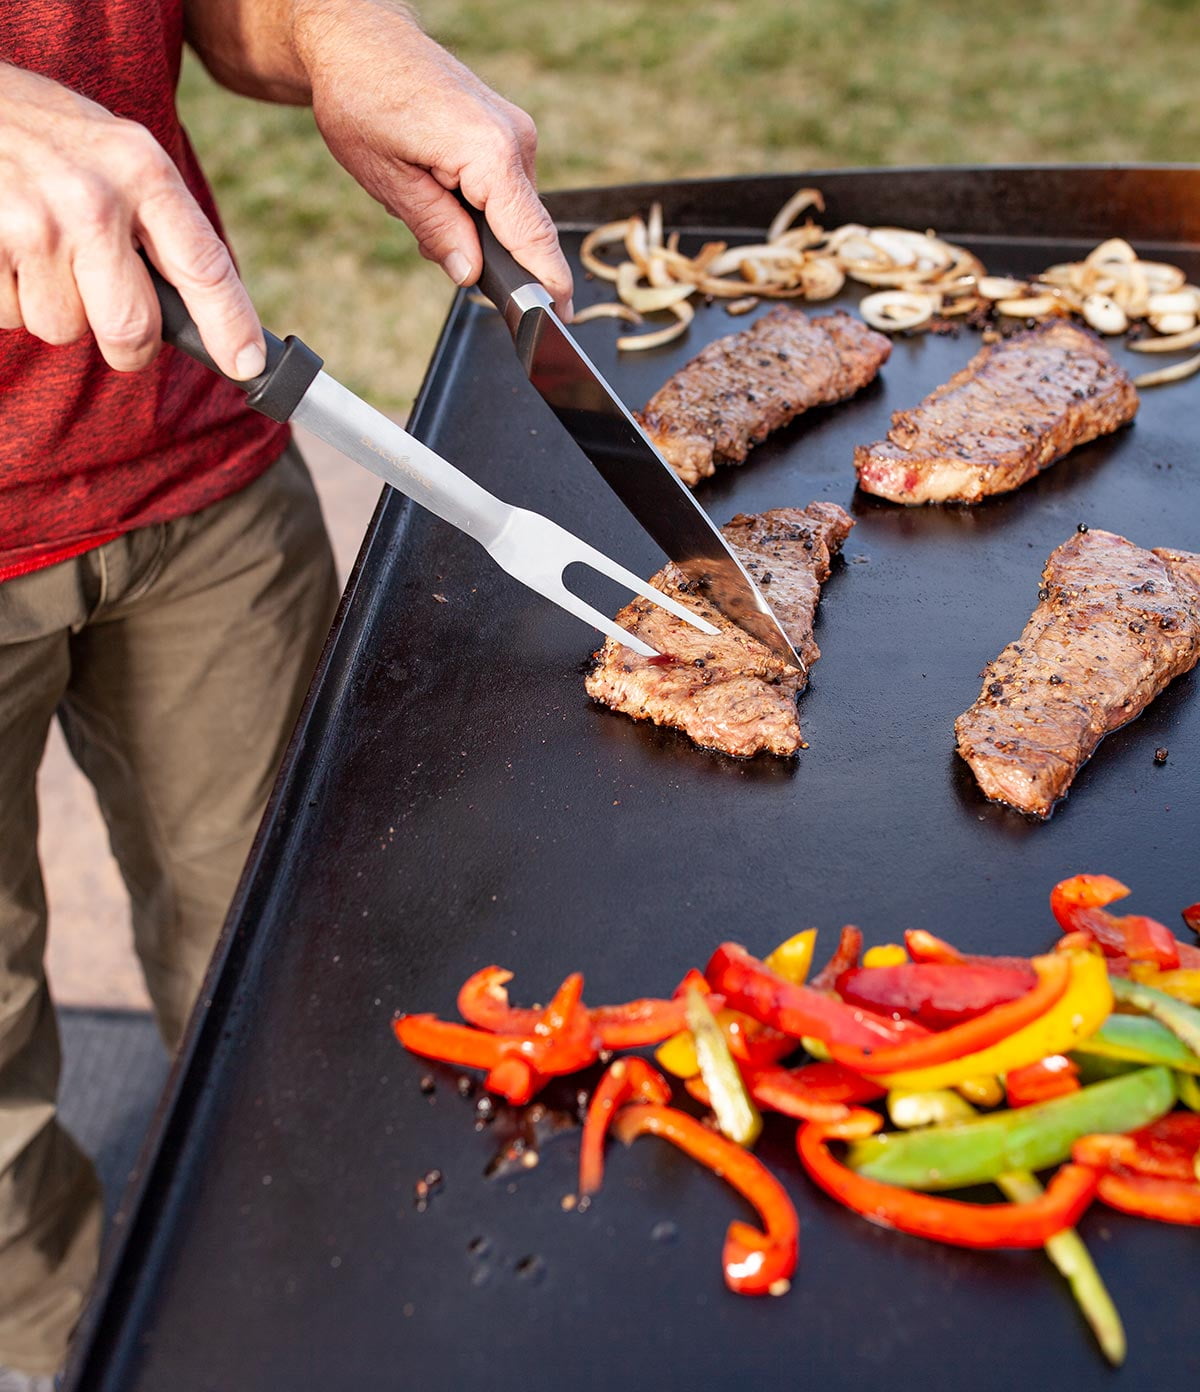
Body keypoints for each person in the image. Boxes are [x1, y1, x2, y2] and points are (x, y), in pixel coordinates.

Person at [0, 1, 574, 1383]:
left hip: (197, 434)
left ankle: (293, 1315)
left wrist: (331, 33)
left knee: (299, 967)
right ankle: (54, 1346)